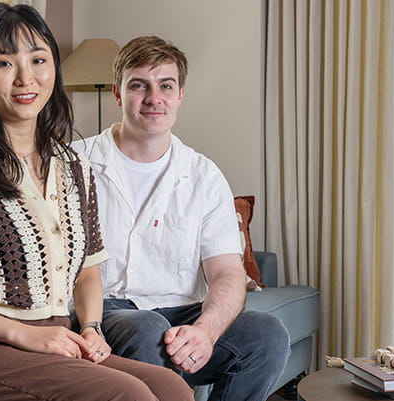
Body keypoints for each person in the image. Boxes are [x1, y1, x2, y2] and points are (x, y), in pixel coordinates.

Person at [0, 6, 193, 401]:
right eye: (4, 63)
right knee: (129, 395)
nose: (25, 78)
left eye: (38, 60)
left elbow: (88, 271)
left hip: (54, 338)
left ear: (54, 69)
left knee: (171, 388)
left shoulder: (73, 165)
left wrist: (91, 327)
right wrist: (23, 334)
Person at [71, 36, 291, 401]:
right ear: (117, 94)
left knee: (267, 335)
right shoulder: (73, 163)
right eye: (138, 86)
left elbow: (227, 273)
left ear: (180, 95)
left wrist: (205, 331)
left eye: (166, 86)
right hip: (103, 313)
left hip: (181, 314)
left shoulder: (204, 176)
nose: (153, 98)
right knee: (147, 327)